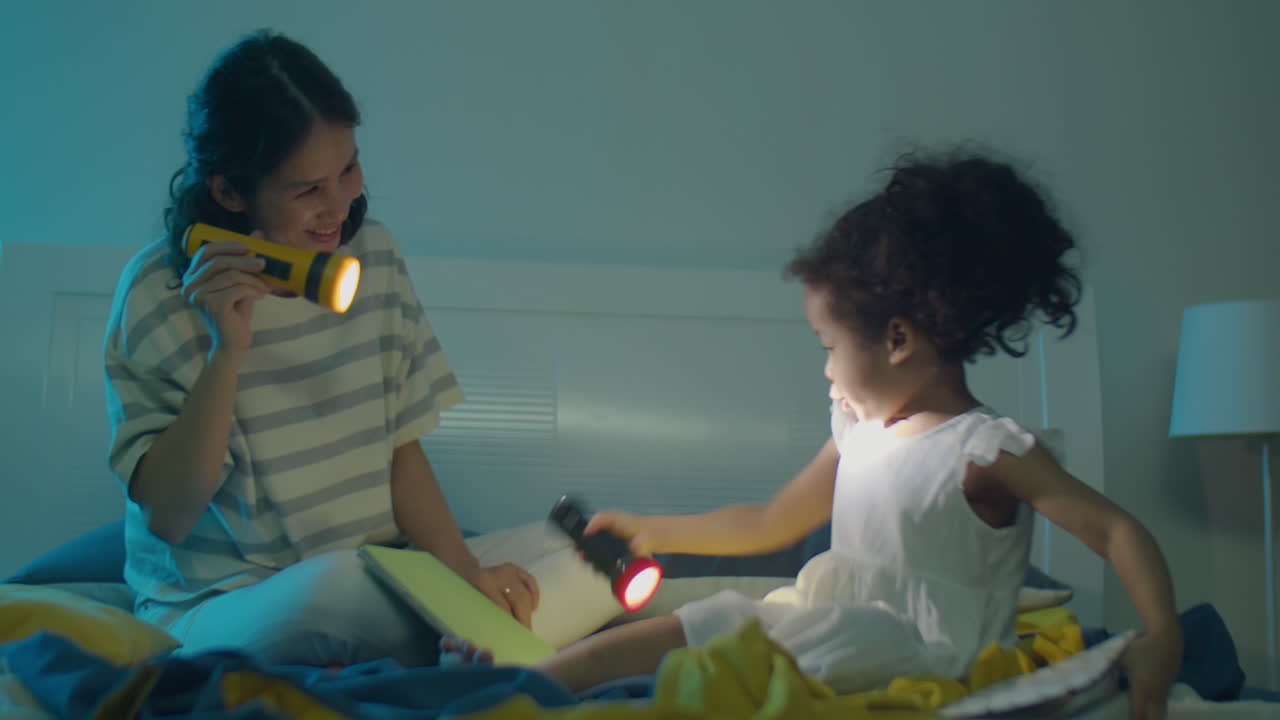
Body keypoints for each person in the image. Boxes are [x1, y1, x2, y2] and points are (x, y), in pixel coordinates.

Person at [446, 151, 1183, 720]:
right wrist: (653, 528)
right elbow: (770, 522)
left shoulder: (984, 451)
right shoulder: (860, 430)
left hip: (922, 651)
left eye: (829, 346)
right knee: (717, 619)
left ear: (897, 339)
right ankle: (525, 686)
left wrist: (1160, 634)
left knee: (758, 645)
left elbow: (1115, 531)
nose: (826, 369)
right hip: (833, 624)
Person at [103, 29, 545, 667]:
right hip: (225, 604)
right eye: (307, 189)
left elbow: (399, 449)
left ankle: (473, 638)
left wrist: (464, 572)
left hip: (379, 570)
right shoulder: (155, 294)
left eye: (348, 169)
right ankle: (469, 644)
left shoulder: (374, 256)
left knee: (559, 555)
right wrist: (226, 351)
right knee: (339, 585)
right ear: (229, 192)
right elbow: (170, 516)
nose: (339, 206)